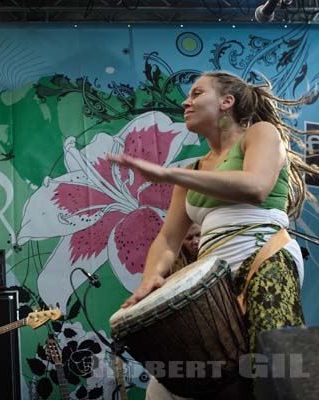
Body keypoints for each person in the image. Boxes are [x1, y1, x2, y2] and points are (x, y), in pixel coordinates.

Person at [108, 71, 318, 399]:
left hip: (265, 256)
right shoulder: (193, 171)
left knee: (277, 368)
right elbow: (167, 240)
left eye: (196, 93)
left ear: (226, 102)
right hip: (213, 280)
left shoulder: (261, 134)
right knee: (166, 387)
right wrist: (150, 281)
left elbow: (256, 186)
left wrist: (166, 173)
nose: (185, 101)